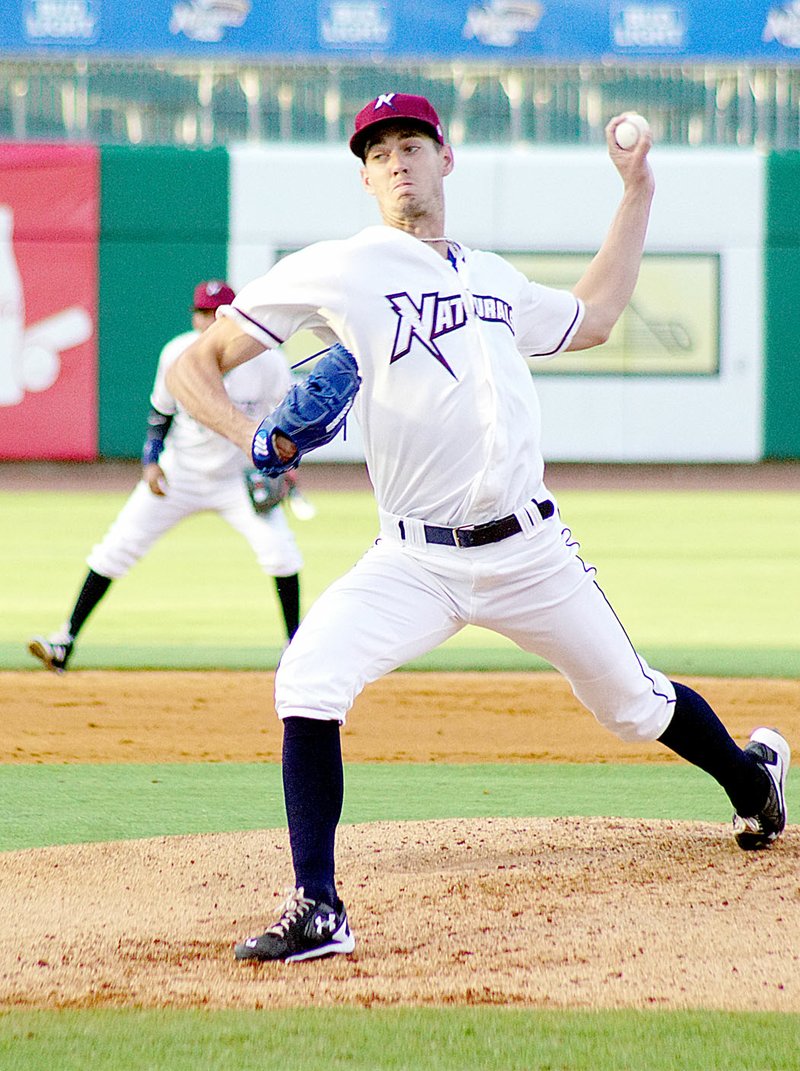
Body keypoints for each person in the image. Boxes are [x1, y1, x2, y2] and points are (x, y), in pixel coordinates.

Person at [165, 94, 791, 964]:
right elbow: (195, 365)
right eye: (377, 151)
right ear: (364, 175)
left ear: (445, 158)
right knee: (309, 672)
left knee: (633, 704)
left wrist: (637, 189)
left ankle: (755, 779)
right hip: (414, 557)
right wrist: (251, 436)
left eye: (410, 144)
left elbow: (595, 316)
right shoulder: (343, 268)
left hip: (531, 551)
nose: (395, 161)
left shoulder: (492, 277)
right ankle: (318, 905)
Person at [28, 279, 304, 673]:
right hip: (181, 474)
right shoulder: (177, 354)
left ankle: (295, 651)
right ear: (194, 317)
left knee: (281, 554)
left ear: (235, 317)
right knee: (116, 548)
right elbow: (160, 414)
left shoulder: (268, 361)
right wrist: (151, 462)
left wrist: (288, 469)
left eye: (219, 313)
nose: (210, 321)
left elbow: (289, 420)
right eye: (204, 313)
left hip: (238, 479)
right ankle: (64, 642)